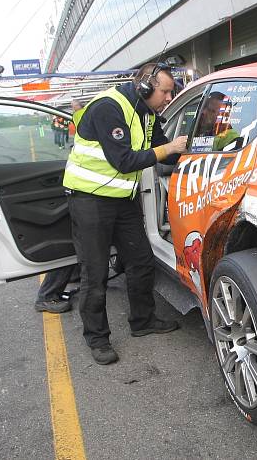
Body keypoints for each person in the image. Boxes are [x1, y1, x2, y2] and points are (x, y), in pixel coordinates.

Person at [62, 63, 188, 365]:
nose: (169, 97)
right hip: (90, 201)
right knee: (95, 273)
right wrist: (169, 147)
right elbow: (124, 161)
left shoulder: (147, 113)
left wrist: (198, 152)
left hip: (122, 200)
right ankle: (97, 338)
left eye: (172, 91)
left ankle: (142, 321)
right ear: (145, 86)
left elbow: (163, 150)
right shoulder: (109, 107)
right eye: (166, 91)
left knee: (141, 261)